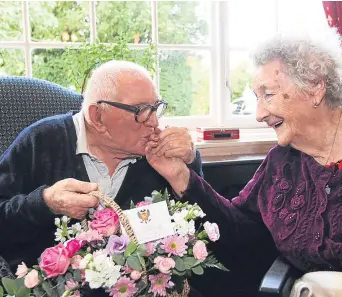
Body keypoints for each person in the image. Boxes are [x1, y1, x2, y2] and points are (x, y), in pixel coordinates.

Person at [145, 27, 342, 287]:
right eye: (256, 97)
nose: (259, 114)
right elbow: (239, 230)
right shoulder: (281, 165)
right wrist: (182, 176)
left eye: (268, 95)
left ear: (315, 88)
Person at [0, 61, 202, 274]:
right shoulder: (40, 142)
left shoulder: (159, 153)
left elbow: (199, 224)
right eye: (141, 111)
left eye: (156, 108)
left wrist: (189, 164)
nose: (154, 122)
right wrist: (44, 203)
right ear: (98, 116)